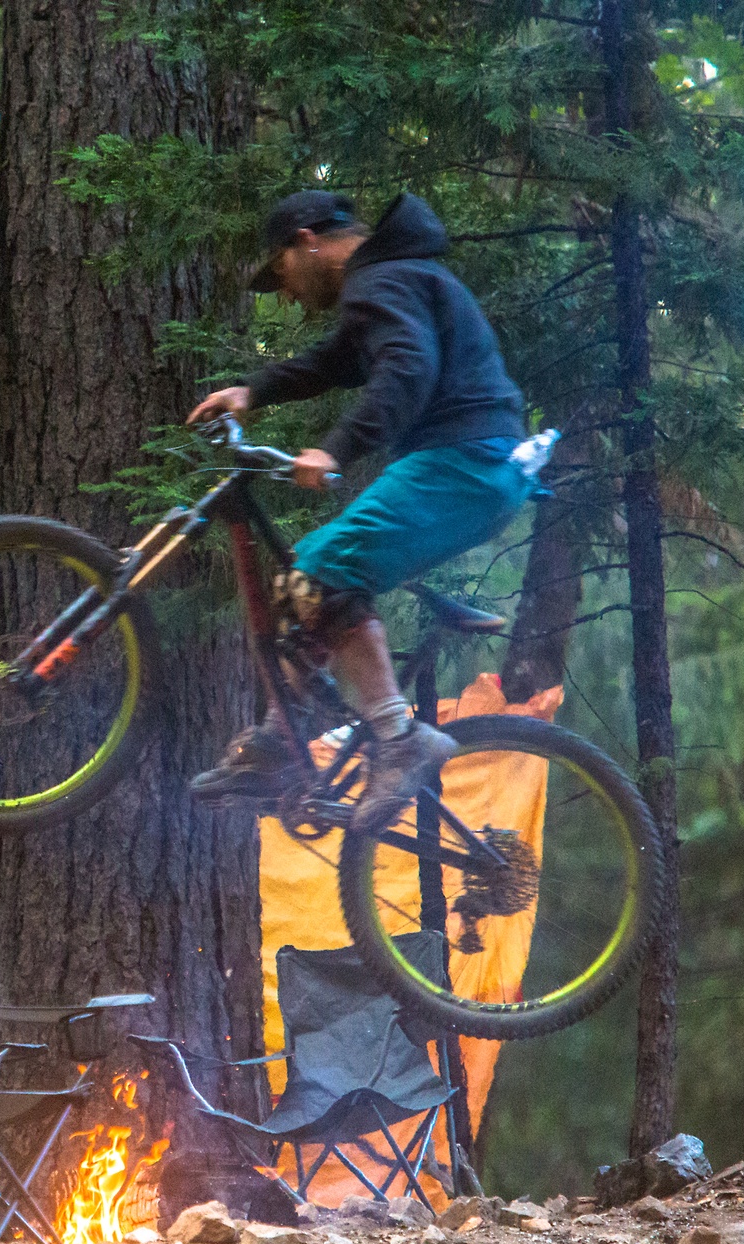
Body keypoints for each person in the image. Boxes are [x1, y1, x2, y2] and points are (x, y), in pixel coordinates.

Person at [186, 190, 533, 822]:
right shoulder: (391, 282)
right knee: (307, 579)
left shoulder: (384, 279)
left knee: (316, 572)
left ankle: (399, 740)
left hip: (467, 462)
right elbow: (334, 361)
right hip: (474, 464)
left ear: (307, 240)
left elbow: (408, 365)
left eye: (281, 273)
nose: (286, 294)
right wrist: (253, 389)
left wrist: (336, 448)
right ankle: (277, 743)